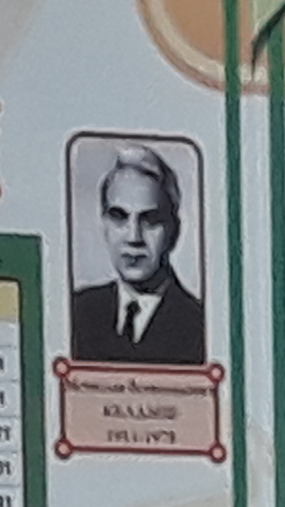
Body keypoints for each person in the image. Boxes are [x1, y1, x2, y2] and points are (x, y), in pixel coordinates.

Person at [65, 145, 204, 366]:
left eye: (150, 220)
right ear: (104, 225)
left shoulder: (201, 325)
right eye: (119, 217)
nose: (134, 237)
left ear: (174, 230)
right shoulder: (77, 311)